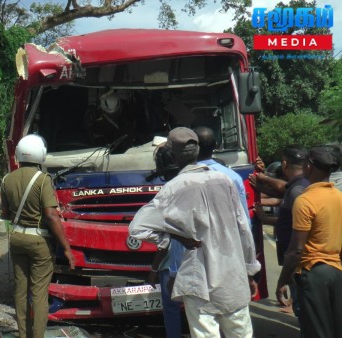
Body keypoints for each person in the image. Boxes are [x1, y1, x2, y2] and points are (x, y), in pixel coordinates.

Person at [129, 127, 260, 338]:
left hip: (198, 279)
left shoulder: (173, 188)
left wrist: (174, 236)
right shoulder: (224, 180)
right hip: (232, 275)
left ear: (171, 155)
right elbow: (244, 228)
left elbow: (137, 228)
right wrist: (250, 270)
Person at [0, 134, 75, 338]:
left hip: (16, 238)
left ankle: (24, 335)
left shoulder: (7, 179)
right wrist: (67, 249)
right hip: (39, 241)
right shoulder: (43, 180)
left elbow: (4, 213)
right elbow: (51, 215)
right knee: (39, 294)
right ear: (40, 154)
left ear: (18, 155)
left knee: (20, 292)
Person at [276, 146, 342, 338]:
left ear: (309, 167)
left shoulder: (305, 201)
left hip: (313, 274)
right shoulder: (338, 197)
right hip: (337, 270)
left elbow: (297, 249)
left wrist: (282, 281)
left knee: (316, 331)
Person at [255, 146, 309, 316]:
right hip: (299, 258)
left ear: (285, 164)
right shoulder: (301, 186)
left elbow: (298, 237)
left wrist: (282, 280)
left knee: (305, 311)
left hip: (299, 259)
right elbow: (277, 191)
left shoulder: (297, 190)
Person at [146, 144, 184, 338]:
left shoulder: (164, 194)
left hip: (170, 265)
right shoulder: (193, 186)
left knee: (171, 308)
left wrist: (153, 269)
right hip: (201, 260)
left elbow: (164, 240)